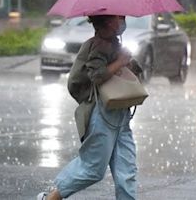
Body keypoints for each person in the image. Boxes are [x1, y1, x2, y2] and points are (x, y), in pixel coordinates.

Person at [37, 15, 142, 200]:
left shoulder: (113, 43)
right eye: (120, 17)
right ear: (109, 21)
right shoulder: (98, 44)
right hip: (102, 115)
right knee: (92, 168)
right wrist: (119, 61)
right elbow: (97, 75)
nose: (124, 20)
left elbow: (120, 70)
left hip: (119, 113)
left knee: (126, 169)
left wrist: (127, 61)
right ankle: (51, 197)